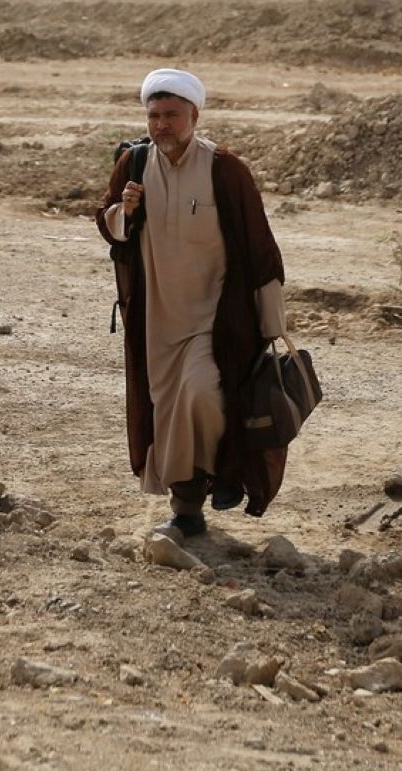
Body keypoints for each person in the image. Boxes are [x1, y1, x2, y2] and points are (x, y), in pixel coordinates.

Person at [96, 68, 289, 535]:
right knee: (167, 413)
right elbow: (108, 227)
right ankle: (188, 511)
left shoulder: (226, 170)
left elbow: (260, 248)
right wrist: (127, 211)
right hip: (157, 321)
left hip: (218, 319)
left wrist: (272, 325)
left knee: (201, 394)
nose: (162, 124)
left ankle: (221, 479)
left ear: (194, 115)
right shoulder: (134, 166)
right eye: (154, 115)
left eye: (172, 115)